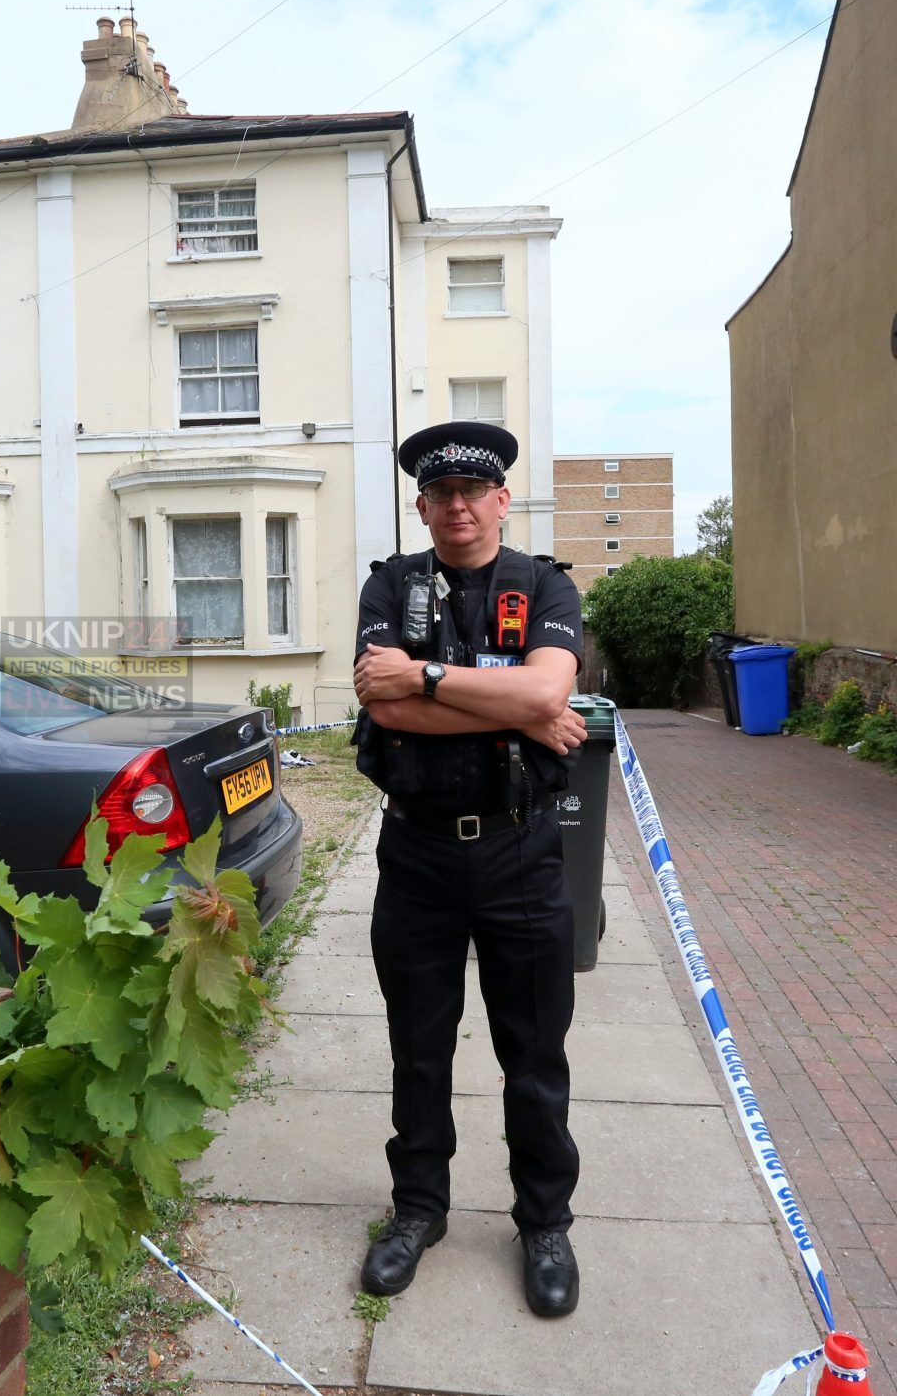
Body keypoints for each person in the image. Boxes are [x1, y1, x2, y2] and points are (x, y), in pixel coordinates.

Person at [351, 419, 588, 1318]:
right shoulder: (392, 584)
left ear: (501, 499)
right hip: (416, 853)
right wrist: (509, 708)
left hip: (519, 853)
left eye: (472, 491)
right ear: (423, 505)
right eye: (439, 493)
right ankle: (417, 1211)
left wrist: (433, 680)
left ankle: (545, 1222)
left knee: (534, 1054)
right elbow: (387, 709)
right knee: (418, 1045)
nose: (457, 505)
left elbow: (546, 691)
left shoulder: (544, 584)